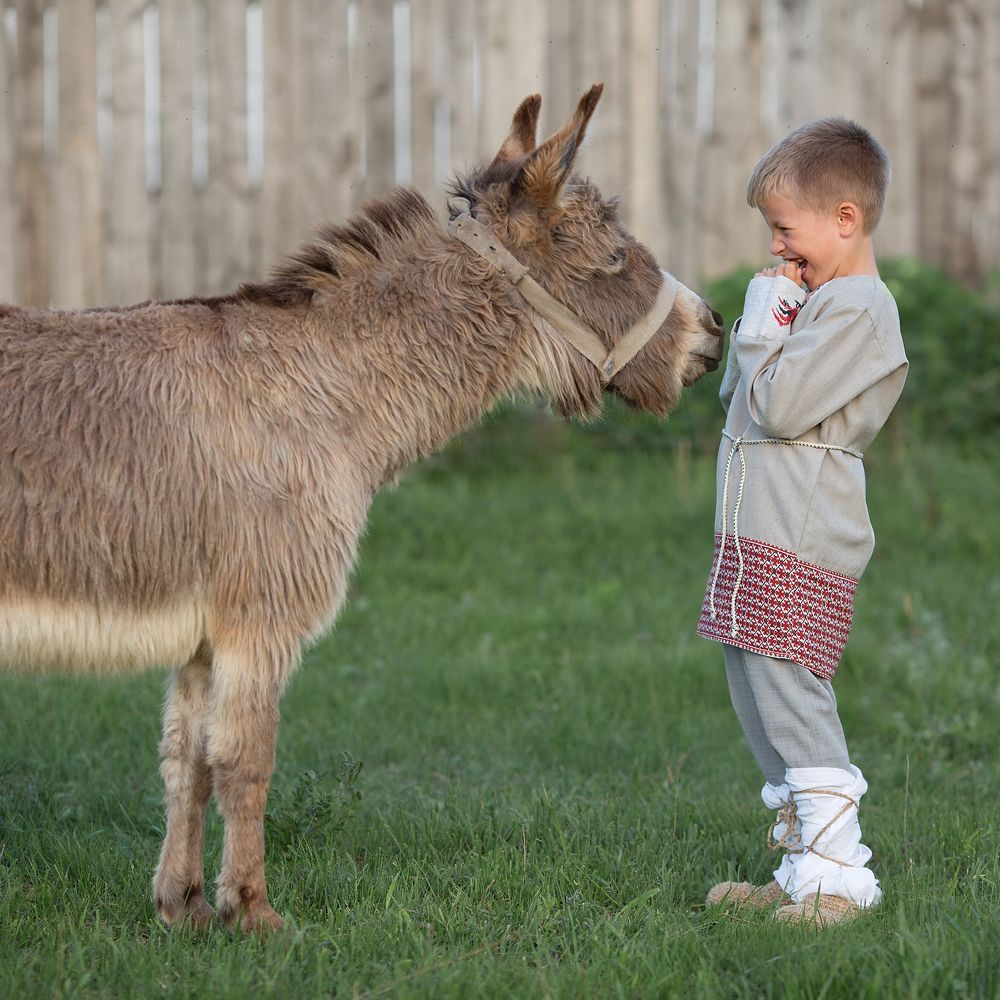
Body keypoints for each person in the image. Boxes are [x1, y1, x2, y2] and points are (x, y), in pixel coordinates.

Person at [697, 118, 908, 926]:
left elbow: (779, 406)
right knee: (759, 695)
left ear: (845, 218)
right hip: (756, 534)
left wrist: (766, 314)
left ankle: (839, 878)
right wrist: (775, 314)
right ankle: (798, 869)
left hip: (801, 533)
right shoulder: (815, 303)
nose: (777, 247)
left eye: (786, 229)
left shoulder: (859, 310)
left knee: (792, 689)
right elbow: (740, 397)